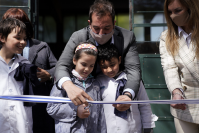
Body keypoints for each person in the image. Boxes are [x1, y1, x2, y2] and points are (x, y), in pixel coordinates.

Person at [54, 0, 141, 111]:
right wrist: (69, 86)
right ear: (89, 23)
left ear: (114, 23)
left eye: (106, 28)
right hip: (84, 97)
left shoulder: (127, 37)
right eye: (96, 28)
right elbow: (62, 65)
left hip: (114, 95)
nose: (101, 33)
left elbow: (133, 69)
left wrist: (127, 94)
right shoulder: (78, 37)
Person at [2, 8, 57, 133]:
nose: (18, 26)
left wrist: (48, 75)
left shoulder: (41, 46)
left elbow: (59, 68)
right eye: (12, 23)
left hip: (36, 106)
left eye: (21, 23)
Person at [47, 42, 106, 133]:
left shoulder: (95, 84)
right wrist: (76, 111)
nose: (87, 69)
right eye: (83, 64)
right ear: (74, 60)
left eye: (91, 66)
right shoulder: (64, 82)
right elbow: (52, 108)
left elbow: (100, 114)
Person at [96, 44, 156, 133]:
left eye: (112, 65)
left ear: (119, 60)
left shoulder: (133, 80)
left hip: (133, 129)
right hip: (109, 129)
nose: (109, 70)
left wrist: (148, 127)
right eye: (104, 67)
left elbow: (144, 105)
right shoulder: (98, 81)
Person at [160, 0, 199, 132]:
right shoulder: (166, 37)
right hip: (184, 104)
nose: (173, 16)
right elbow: (169, 67)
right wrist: (176, 92)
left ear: (191, 8)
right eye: (170, 12)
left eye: (178, 10)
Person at [0, 18, 33, 133]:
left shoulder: (25, 64)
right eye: (18, 38)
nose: (23, 42)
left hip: (21, 123)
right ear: (2, 38)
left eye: (24, 39)